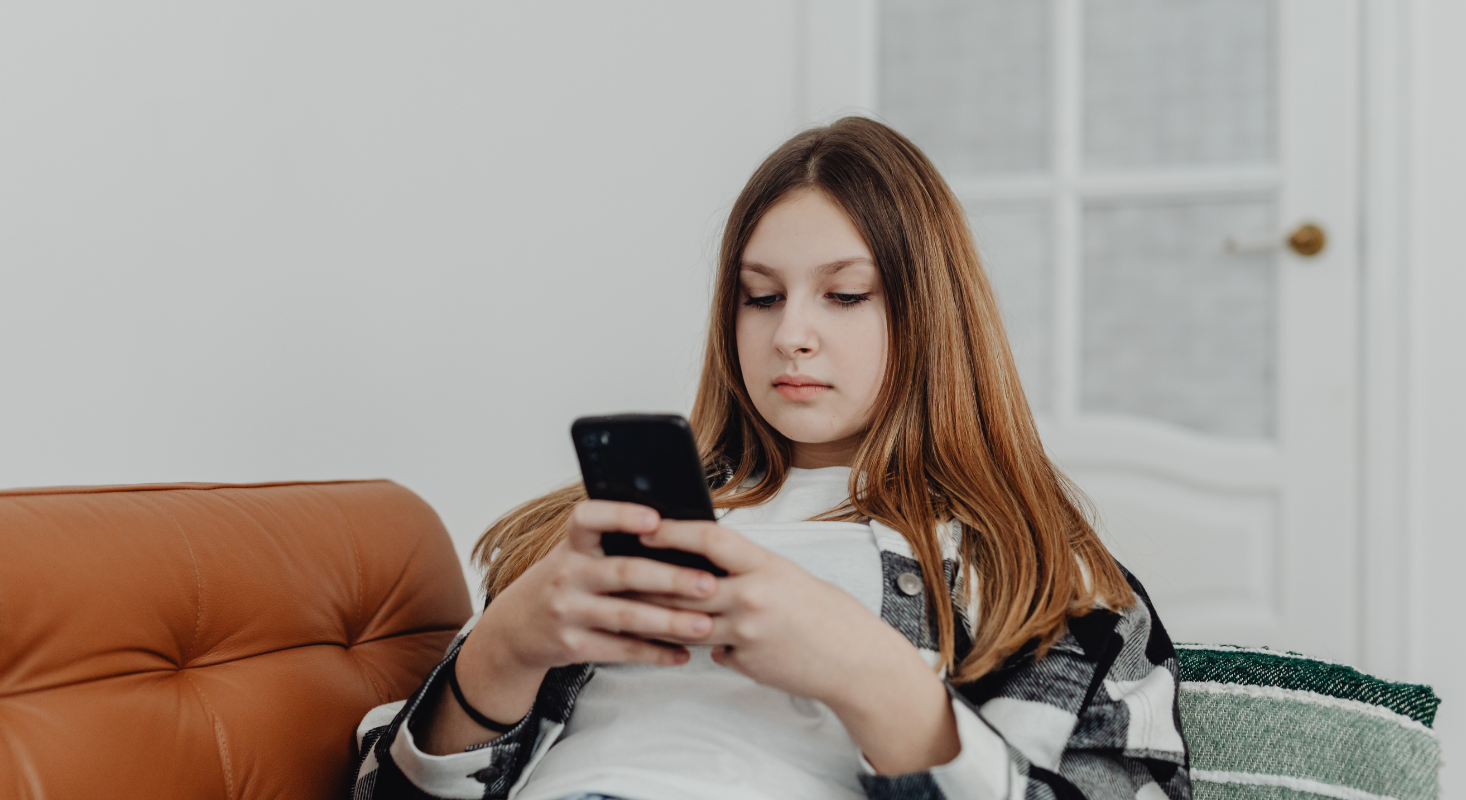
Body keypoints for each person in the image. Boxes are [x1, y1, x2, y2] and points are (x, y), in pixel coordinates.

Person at [351, 117, 1191, 800]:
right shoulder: (588, 536)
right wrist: (505, 649)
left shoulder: (1042, 575)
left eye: (845, 295)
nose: (790, 332)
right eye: (760, 297)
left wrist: (870, 676)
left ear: (934, 316)